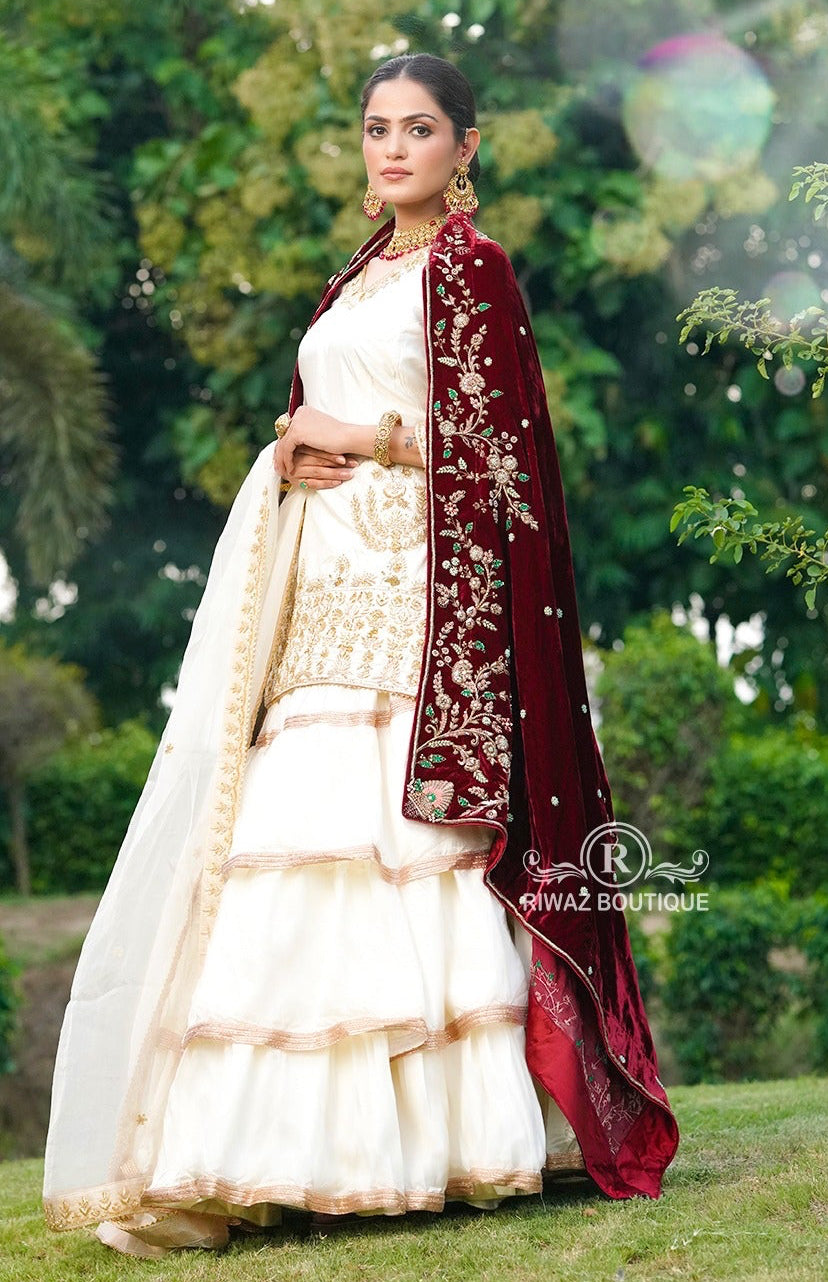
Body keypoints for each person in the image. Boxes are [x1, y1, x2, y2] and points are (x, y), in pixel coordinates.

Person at [42, 53, 679, 1257]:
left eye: (419, 129)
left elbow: (502, 460)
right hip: (324, 593)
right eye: (378, 128)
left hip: (421, 600)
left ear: (465, 147)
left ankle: (434, 1147)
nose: (393, 149)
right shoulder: (356, 277)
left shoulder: (473, 268)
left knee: (402, 844)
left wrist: (364, 435)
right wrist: (290, 449)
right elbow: (316, 418)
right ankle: (260, 1156)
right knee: (296, 849)